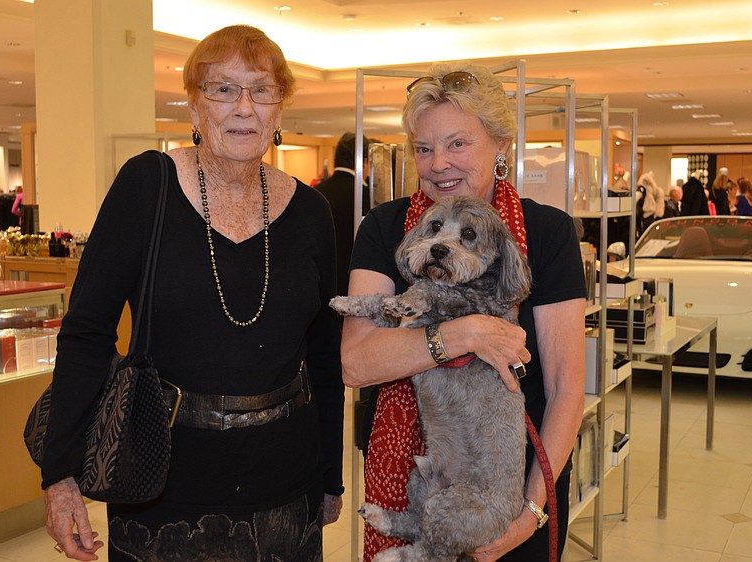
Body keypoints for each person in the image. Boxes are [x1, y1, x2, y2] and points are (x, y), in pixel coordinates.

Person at [42, 25, 344, 561]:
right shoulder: (146, 186)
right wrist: (60, 474)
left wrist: (330, 475)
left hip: (286, 478)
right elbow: (86, 332)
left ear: (280, 111)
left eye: (262, 90)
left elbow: (323, 353)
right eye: (223, 89)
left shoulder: (311, 213)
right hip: (163, 479)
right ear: (194, 104)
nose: (244, 108)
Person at [341, 62, 586, 561]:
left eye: (458, 144)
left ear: (500, 145)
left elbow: (566, 390)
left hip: (510, 487)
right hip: (412, 474)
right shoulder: (385, 229)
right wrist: (462, 334)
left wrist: (530, 514)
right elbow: (356, 361)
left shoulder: (547, 234)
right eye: (424, 148)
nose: (438, 164)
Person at [315, 132, 371, 297]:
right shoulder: (364, 195)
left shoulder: (316, 192)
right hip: (353, 282)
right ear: (365, 161)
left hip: (320, 280)